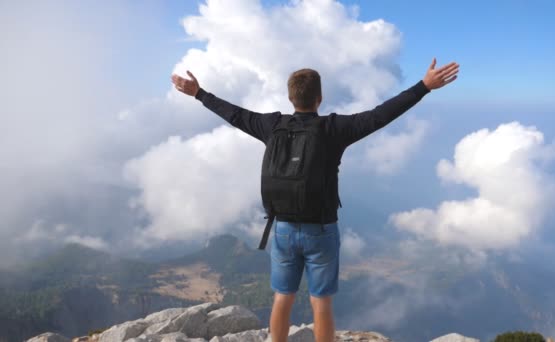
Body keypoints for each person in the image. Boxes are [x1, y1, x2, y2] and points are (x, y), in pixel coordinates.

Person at [171, 58, 459, 342]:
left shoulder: (272, 126)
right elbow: (380, 115)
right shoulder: (333, 129)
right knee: (320, 301)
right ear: (319, 98)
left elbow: (235, 114)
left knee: (282, 297)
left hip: (281, 228)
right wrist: (424, 86)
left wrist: (199, 93)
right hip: (321, 229)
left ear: (290, 97)